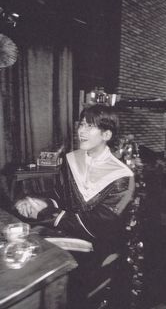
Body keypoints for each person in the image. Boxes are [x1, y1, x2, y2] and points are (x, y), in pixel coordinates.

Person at [15, 104, 135, 248]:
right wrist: (40, 202)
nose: (81, 131)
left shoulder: (122, 176)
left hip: (97, 244)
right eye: (82, 124)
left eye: (90, 126)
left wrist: (45, 213)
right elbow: (60, 195)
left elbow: (99, 225)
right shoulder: (72, 159)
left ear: (106, 135)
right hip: (63, 231)